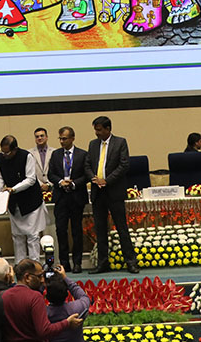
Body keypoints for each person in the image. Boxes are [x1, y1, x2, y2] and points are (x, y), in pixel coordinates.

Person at [84, 116, 139, 274]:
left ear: (108, 129)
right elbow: (87, 165)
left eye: (99, 130)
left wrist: (106, 181)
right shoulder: (93, 144)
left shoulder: (120, 142)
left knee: (122, 228)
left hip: (114, 192)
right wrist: (94, 178)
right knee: (100, 230)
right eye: (95, 130)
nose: (97, 133)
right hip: (98, 192)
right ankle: (103, 263)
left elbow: (124, 165)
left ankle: (131, 262)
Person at [1, 258, 83, 342]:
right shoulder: (35, 298)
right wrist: (67, 323)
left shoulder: (3, 296)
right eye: (39, 276)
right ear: (27, 277)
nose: (43, 280)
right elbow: (45, 331)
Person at [0, 135, 46, 262]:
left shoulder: (26, 156)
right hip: (14, 203)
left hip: (31, 202)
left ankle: (34, 264)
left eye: (7, 152)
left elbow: (30, 179)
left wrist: (13, 189)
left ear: (15, 149)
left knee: (32, 236)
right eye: (2, 152)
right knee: (17, 236)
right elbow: (0, 179)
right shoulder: (0, 158)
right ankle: (20, 264)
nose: (4, 155)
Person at [47, 126, 88, 272]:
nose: (61, 141)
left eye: (64, 138)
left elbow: (87, 175)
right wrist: (60, 182)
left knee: (77, 231)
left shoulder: (82, 154)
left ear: (72, 138)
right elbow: (51, 174)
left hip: (76, 197)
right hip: (61, 197)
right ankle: (64, 263)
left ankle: (77, 262)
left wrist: (74, 183)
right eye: (60, 138)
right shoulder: (56, 154)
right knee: (61, 231)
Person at [45, 268, 91, 342]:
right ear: (66, 293)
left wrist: (41, 281)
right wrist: (65, 277)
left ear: (47, 296)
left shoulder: (43, 314)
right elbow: (83, 296)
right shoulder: (78, 307)